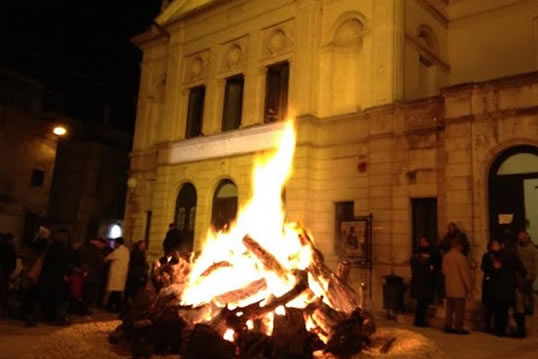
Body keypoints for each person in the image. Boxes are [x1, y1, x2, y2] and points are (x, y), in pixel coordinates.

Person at [492, 239, 527, 337]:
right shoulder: (513, 257)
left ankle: (501, 330)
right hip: (512, 286)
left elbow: (495, 270)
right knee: (518, 310)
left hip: (502, 287)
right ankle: (520, 332)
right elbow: (523, 270)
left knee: (502, 309)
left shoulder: (498, 257)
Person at [37, 229, 71, 325]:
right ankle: (55, 317)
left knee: (44, 297)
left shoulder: (49, 248)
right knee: (55, 298)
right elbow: (63, 264)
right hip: (56, 278)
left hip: (46, 276)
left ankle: (40, 316)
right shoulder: (62, 250)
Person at [442, 238, 472, 334]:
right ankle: (458, 327)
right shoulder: (460, 258)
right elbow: (465, 274)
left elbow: (444, 271)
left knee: (449, 309)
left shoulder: (446, 256)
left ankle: (448, 325)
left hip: (449, 287)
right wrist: (469, 288)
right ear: (458, 246)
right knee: (459, 310)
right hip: (459, 288)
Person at [410, 237, 441, 327]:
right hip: (420, 282)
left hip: (427, 282)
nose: (423, 244)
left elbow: (436, 264)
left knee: (424, 302)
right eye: (421, 242)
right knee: (421, 302)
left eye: (425, 242)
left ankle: (420, 320)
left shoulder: (433, 253)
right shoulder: (416, 255)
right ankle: (418, 321)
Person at [80, 238, 107, 315]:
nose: (103, 247)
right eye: (103, 245)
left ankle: (82, 309)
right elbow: (100, 265)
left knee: (85, 293)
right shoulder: (98, 252)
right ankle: (85, 310)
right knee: (90, 294)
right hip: (94, 276)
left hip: (86, 274)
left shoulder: (86, 249)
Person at [103, 237, 130, 313]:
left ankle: (116, 307)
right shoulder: (126, 251)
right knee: (116, 292)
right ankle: (110, 306)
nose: (114, 245)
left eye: (115, 243)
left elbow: (107, 258)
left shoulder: (117, 251)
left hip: (116, 275)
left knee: (116, 292)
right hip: (122, 275)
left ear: (118, 243)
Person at [480, 239, 501, 333]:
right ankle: (487, 325)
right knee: (488, 307)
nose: (497, 246)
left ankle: (497, 326)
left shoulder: (501, 255)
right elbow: (483, 267)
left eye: (497, 244)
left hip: (498, 284)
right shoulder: (486, 256)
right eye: (495, 245)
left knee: (497, 306)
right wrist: (493, 267)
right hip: (489, 284)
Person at [516, 231, 536, 316]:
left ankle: (530, 308)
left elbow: (535, 263)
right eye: (520, 237)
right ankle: (523, 308)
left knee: (529, 293)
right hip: (519, 275)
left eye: (523, 237)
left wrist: (532, 275)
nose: (521, 239)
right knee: (521, 293)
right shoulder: (517, 248)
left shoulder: (533, 250)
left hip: (528, 275)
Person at [125, 241, 149, 305]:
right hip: (135, 274)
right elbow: (138, 263)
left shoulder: (140, 253)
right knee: (133, 290)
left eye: (144, 245)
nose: (144, 247)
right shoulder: (136, 253)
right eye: (142, 245)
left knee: (133, 289)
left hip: (136, 274)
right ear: (139, 245)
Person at [0, 233, 17, 318]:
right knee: (3, 292)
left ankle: (3, 311)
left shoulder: (9, 249)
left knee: (4, 291)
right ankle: (3, 311)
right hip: (4, 272)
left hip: (5, 272)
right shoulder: (8, 249)